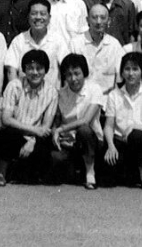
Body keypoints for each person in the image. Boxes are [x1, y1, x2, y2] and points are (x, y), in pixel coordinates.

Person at [0, 49, 57, 186]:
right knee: (7, 133)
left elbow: (45, 126)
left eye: (39, 68)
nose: (35, 72)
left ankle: (22, 171)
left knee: (45, 142)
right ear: (24, 70)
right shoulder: (14, 86)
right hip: (15, 133)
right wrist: (34, 131)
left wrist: (32, 141)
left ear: (45, 70)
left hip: (36, 139)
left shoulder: (51, 92)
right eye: (30, 68)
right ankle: (1, 172)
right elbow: (6, 119)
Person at [102, 52, 142, 188]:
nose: (131, 73)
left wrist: (135, 126)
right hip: (119, 143)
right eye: (127, 69)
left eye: (135, 69)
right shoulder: (114, 95)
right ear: (122, 72)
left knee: (136, 135)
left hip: (141, 144)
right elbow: (109, 125)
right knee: (108, 174)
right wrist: (111, 146)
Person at [50, 53, 104, 190]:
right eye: (69, 75)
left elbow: (86, 120)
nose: (73, 79)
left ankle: (90, 173)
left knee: (84, 130)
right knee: (56, 158)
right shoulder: (61, 93)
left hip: (92, 140)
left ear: (84, 72)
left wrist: (61, 129)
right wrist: (55, 133)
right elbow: (57, 121)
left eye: (76, 73)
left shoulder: (95, 89)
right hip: (68, 142)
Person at [4, 0, 68, 91]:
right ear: (28, 17)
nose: (38, 17)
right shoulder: (19, 40)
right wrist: (16, 93)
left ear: (49, 17)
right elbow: (11, 70)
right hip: (24, 95)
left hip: (51, 95)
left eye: (43, 14)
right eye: (34, 13)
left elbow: (67, 68)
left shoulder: (58, 40)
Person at [70, 3, 124, 95]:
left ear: (109, 21)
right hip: (82, 98)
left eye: (103, 18)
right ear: (87, 20)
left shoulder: (114, 45)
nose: (98, 22)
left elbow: (120, 78)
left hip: (107, 98)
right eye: (94, 17)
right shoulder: (75, 43)